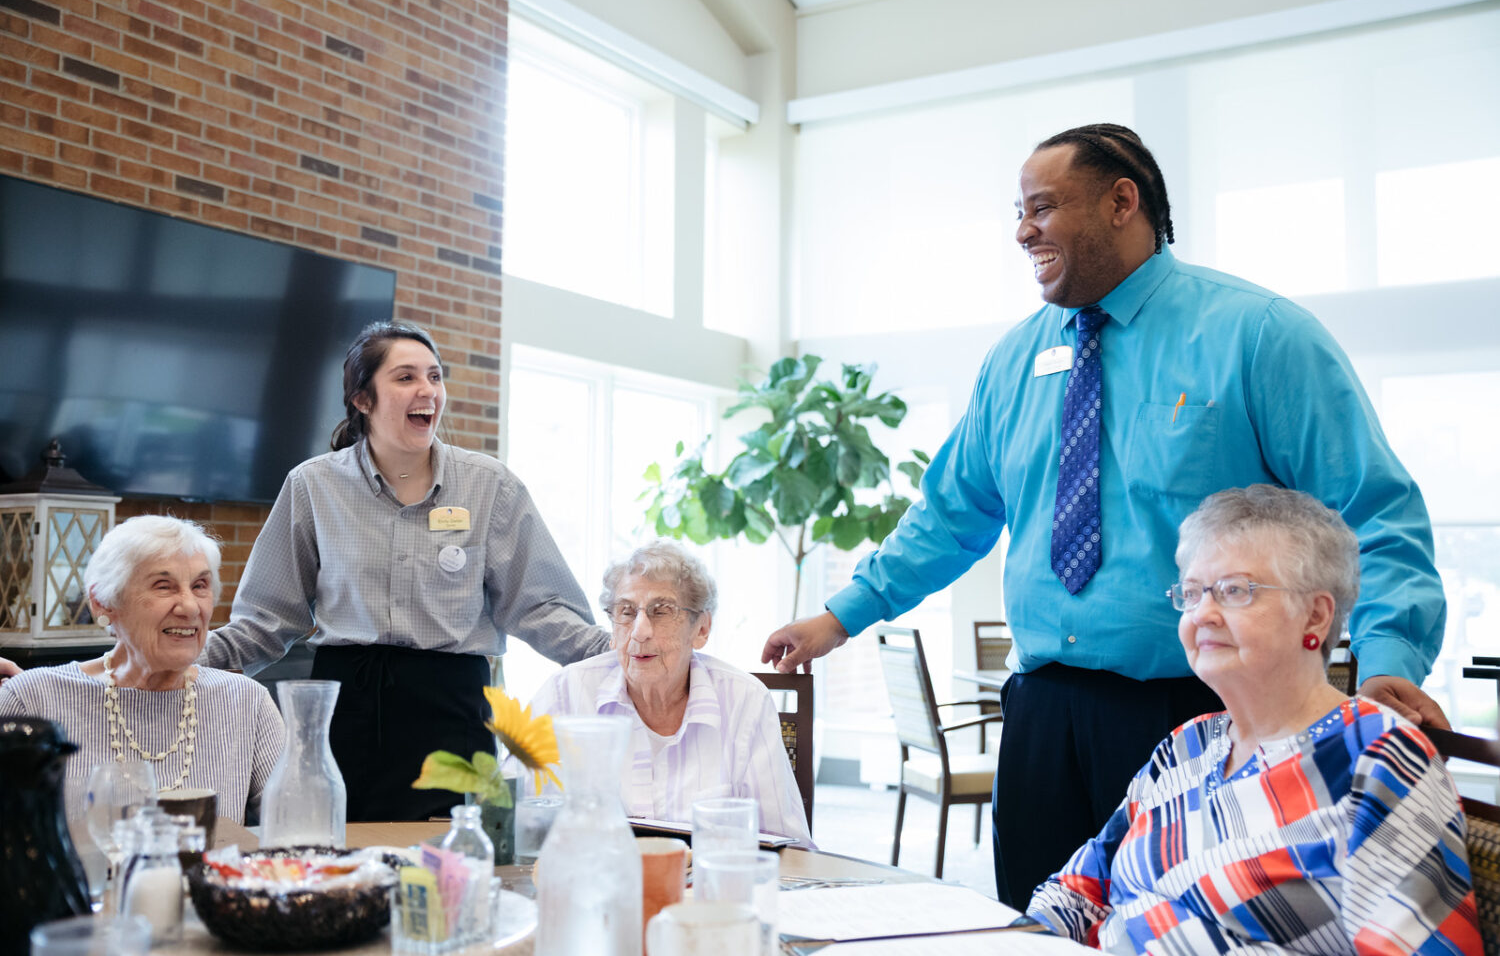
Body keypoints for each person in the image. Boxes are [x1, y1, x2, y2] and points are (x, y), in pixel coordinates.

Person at [762, 123, 1448, 907]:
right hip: (1043, 714)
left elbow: (1372, 510)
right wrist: (840, 617)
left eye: (1043, 207)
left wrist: (1391, 656)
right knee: (1041, 920)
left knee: (1187, 928)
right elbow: (950, 515)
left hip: (1208, 710)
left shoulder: (1258, 335)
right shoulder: (1014, 360)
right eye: (1018, 211)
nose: (1023, 230)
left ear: (1122, 202)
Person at [1027, 486, 1480, 953]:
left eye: (1234, 591)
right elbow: (1079, 890)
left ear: (1315, 616)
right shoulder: (1188, 746)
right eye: (1192, 592)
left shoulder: (1375, 756)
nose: (1202, 613)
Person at [201, 320, 609, 821]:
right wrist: (179, 656)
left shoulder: (490, 487)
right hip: (343, 713)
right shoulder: (313, 487)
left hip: (453, 716)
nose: (428, 391)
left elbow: (540, 608)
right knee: (342, 863)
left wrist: (617, 654)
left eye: (435, 377)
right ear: (362, 399)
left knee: (451, 873)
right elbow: (267, 619)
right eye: (406, 377)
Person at [0, 516, 284, 823]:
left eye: (200, 585)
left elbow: (294, 831)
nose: (190, 607)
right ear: (103, 602)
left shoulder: (247, 703)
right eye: (164, 586)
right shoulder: (33, 700)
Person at [530, 540, 812, 845]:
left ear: (701, 629)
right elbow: (517, 820)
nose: (639, 631)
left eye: (661, 611)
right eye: (626, 612)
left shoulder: (745, 701)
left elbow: (787, 846)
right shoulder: (564, 695)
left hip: (707, 889)